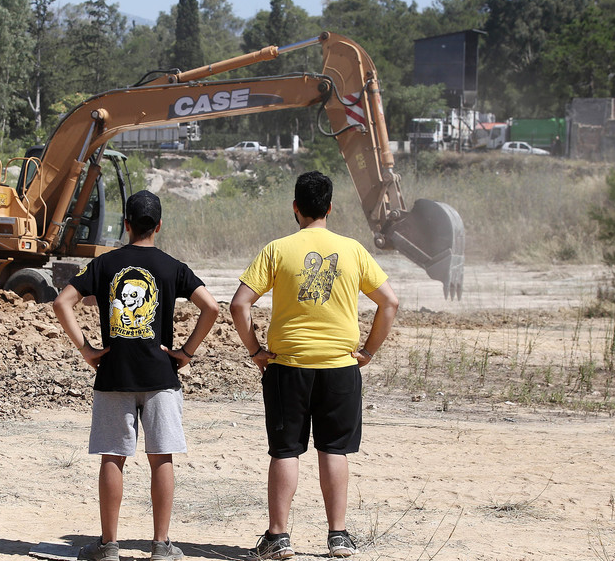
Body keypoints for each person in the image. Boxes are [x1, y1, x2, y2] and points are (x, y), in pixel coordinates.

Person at [230, 171, 399, 559]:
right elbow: (389, 302)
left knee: (285, 450)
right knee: (333, 449)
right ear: (330, 207)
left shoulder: (277, 249)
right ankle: (338, 535)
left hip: (288, 367)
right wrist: (367, 352)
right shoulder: (353, 250)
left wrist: (256, 350)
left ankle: (278, 537)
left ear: (295, 208)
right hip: (340, 367)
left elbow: (240, 304)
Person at [54, 190, 219, 561]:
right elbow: (211, 307)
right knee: (162, 458)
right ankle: (161, 546)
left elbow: (62, 301)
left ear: (125, 224)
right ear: (159, 225)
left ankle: (109, 545)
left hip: (114, 374)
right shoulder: (172, 266)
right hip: (162, 375)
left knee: (112, 457)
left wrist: (87, 350)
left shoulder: (104, 264)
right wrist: (186, 353)